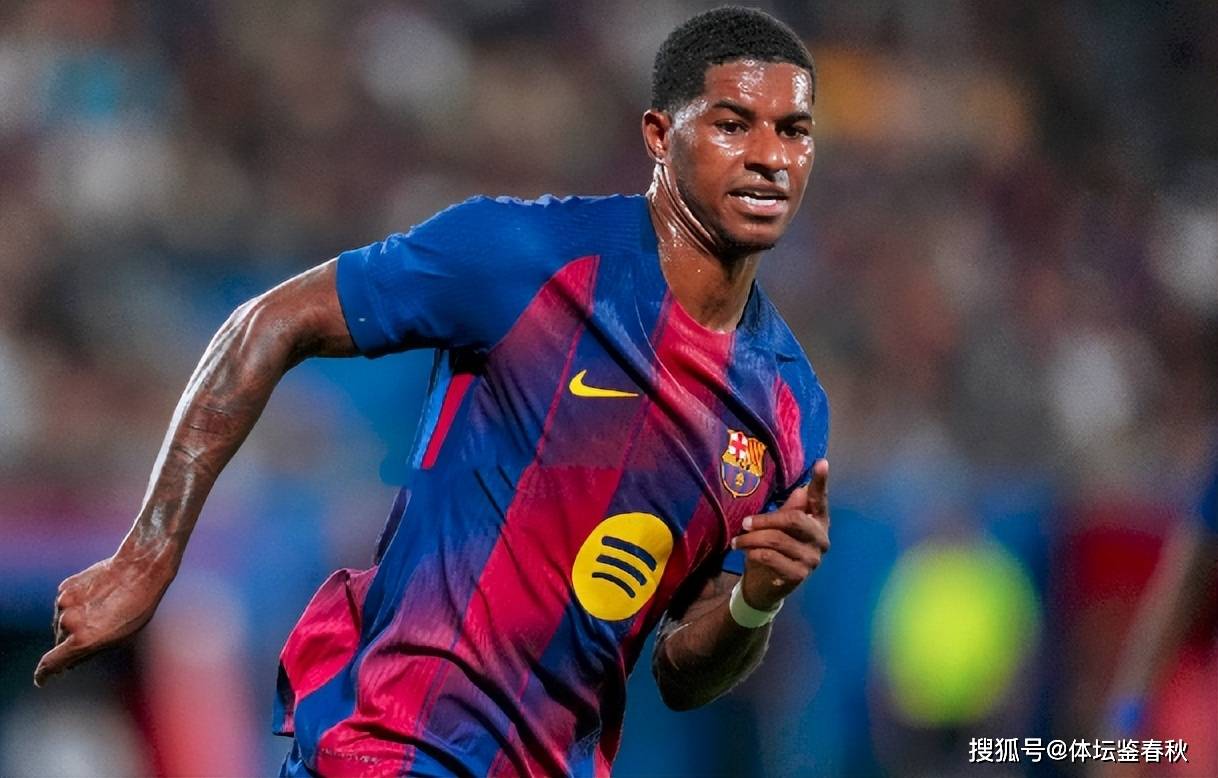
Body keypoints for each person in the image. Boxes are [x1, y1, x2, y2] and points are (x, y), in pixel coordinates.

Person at [35, 7, 832, 776]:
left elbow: (681, 674)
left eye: (793, 131)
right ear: (660, 135)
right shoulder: (526, 255)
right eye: (734, 125)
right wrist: (150, 554)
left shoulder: (788, 408)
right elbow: (268, 322)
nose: (769, 156)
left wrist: (755, 604)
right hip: (389, 746)